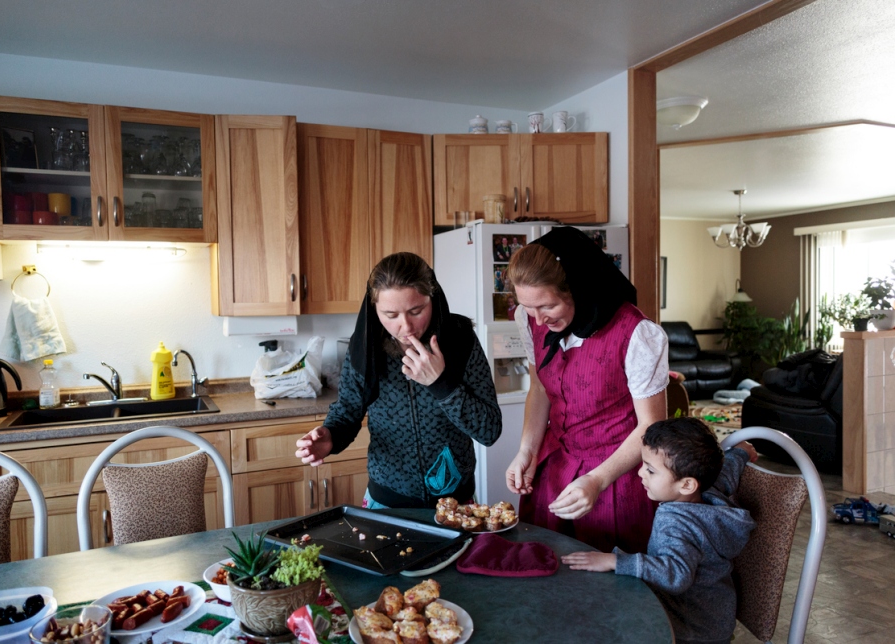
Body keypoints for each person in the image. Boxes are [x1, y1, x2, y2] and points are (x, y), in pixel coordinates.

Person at [505, 226, 669, 553]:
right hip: (555, 470)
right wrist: (527, 450)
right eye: (528, 308)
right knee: (548, 567)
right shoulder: (531, 318)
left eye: (547, 306)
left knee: (609, 575)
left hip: (616, 477)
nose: (538, 320)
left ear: (578, 288)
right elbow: (539, 387)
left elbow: (650, 426)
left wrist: (597, 479)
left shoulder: (637, 333)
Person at [295, 252, 502, 508]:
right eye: (391, 315)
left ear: (433, 299)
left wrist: (441, 384)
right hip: (386, 501)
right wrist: (330, 436)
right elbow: (347, 411)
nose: (406, 326)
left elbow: (489, 431)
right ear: (374, 310)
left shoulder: (461, 340)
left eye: (416, 310)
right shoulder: (366, 345)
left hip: (455, 503)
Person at [564, 417, 757, 644]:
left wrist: (614, 561)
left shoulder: (675, 523)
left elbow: (675, 574)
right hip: (715, 617)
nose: (640, 473)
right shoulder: (708, 492)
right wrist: (740, 453)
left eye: (651, 470)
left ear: (686, 485)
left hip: (691, 627)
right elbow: (725, 474)